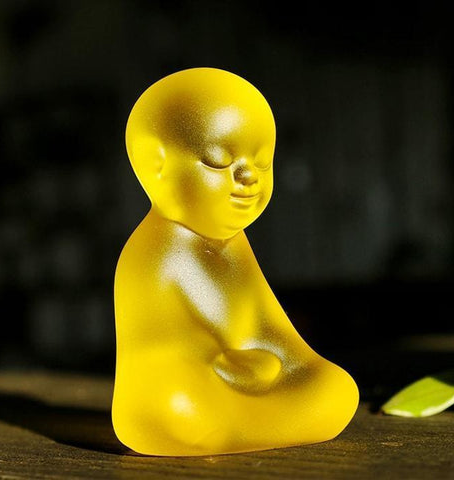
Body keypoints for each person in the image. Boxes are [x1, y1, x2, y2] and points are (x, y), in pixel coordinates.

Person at [112, 67, 359, 456]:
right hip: (198, 386)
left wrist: (286, 361)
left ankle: (244, 426)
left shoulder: (237, 245)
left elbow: (271, 324)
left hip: (251, 382)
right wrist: (223, 363)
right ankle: (241, 424)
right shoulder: (149, 255)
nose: (248, 177)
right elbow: (159, 349)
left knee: (337, 388)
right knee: (177, 409)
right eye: (217, 161)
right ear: (154, 162)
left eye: (262, 163)